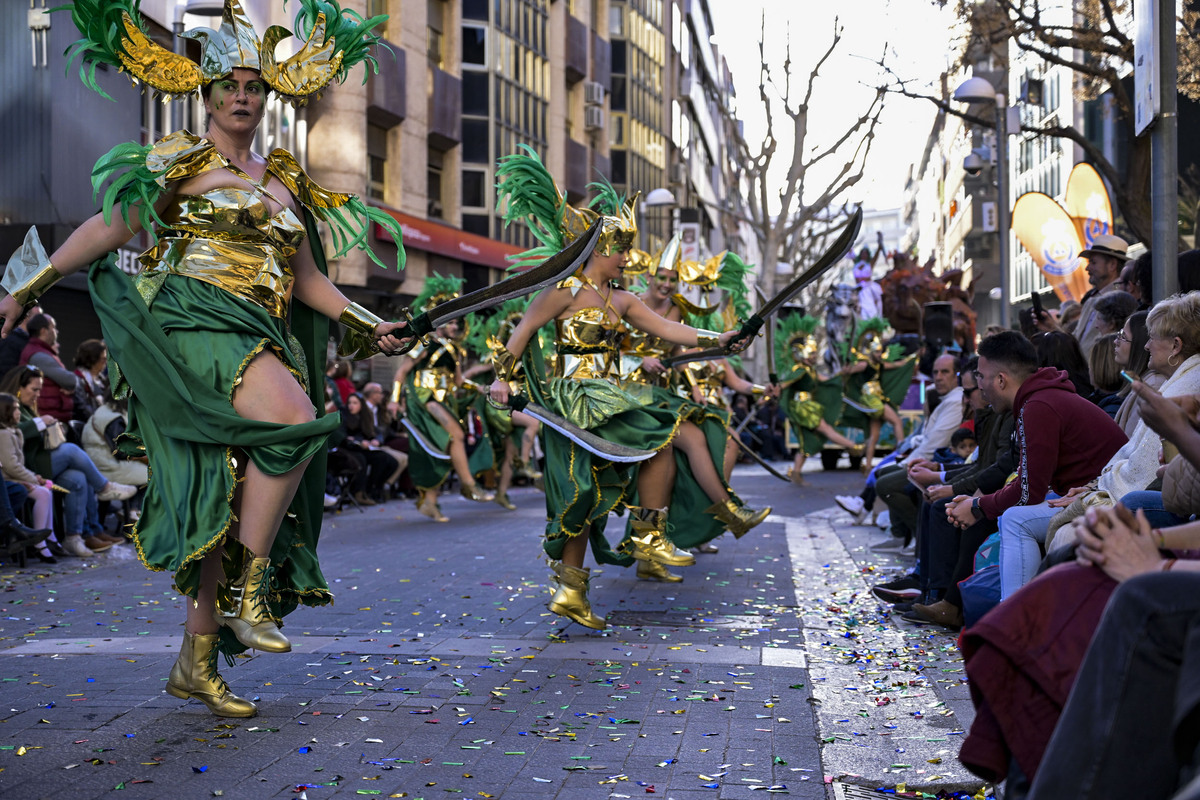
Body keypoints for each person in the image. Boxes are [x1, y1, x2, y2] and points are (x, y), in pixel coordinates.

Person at [0, 1, 410, 718]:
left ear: (267, 94)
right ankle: (250, 593)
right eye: (230, 84)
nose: (243, 95)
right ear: (208, 93)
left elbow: (310, 281)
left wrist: (372, 324)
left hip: (259, 327)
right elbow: (107, 226)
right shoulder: (180, 163)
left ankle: (197, 661)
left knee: (219, 495)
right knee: (298, 419)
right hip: (193, 319)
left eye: (255, 85)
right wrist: (22, 284)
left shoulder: (284, 177)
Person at [489, 147, 755, 629]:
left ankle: (650, 535)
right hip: (573, 404)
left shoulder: (626, 299)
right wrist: (501, 379)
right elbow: (522, 333)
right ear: (599, 251)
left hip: (614, 398)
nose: (629, 258)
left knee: (664, 442)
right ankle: (572, 590)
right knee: (580, 494)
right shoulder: (561, 293)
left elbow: (673, 330)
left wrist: (724, 339)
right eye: (622, 250)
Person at [943, 331, 1126, 599]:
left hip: (1109, 498)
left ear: (1001, 380)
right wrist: (977, 503)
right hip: (1093, 493)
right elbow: (1030, 482)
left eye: (981, 376)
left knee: (1016, 520)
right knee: (1011, 514)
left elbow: (1030, 493)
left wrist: (978, 507)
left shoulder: (1038, 406)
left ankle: (1012, 623)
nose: (979, 385)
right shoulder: (1038, 399)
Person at [0, 365, 136, 556]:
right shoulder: (8, 406)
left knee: (78, 478)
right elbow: (9, 433)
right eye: (35, 389)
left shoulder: (28, 408)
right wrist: (40, 424)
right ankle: (104, 488)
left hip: (39, 462)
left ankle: (76, 536)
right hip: (28, 467)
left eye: (40, 390)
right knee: (71, 451)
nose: (38, 395)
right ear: (19, 388)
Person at [395, 275, 496, 522]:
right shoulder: (425, 342)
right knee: (457, 435)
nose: (454, 325)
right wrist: (393, 399)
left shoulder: (455, 350)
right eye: (450, 320)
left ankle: (430, 502)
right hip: (425, 399)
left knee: (440, 448)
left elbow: (460, 382)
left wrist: (482, 388)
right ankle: (468, 484)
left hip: (446, 400)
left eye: (457, 321)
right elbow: (402, 371)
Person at [775, 313, 861, 483]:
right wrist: (770, 393)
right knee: (825, 428)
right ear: (801, 354)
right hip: (802, 407)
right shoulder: (799, 370)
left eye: (815, 354)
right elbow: (784, 384)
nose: (814, 357)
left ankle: (796, 473)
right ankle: (854, 446)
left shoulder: (811, 371)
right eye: (811, 354)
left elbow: (828, 379)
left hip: (808, 405)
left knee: (806, 443)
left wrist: (843, 373)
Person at [0, 392, 57, 563]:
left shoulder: (14, 431)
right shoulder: (3, 434)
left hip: (13, 477)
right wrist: (32, 478)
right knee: (42, 493)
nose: (19, 412)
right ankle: (40, 544)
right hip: (9, 479)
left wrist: (33, 477)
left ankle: (48, 536)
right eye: (15, 409)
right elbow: (10, 467)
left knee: (46, 490)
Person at [1073, 234, 1132, 359]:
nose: (1087, 268)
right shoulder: (1091, 299)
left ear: (1112, 265)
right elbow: (1076, 339)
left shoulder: (1122, 300)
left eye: (1093, 262)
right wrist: (1052, 326)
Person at [18, 314, 77, 424]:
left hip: (51, 418)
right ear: (44, 331)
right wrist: (68, 385)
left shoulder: (41, 352)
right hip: (48, 420)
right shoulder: (39, 355)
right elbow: (71, 380)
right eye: (53, 327)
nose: (57, 332)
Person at [72, 339, 108, 422]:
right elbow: (82, 409)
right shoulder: (78, 379)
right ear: (92, 360)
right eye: (103, 359)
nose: (106, 362)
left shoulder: (102, 380)